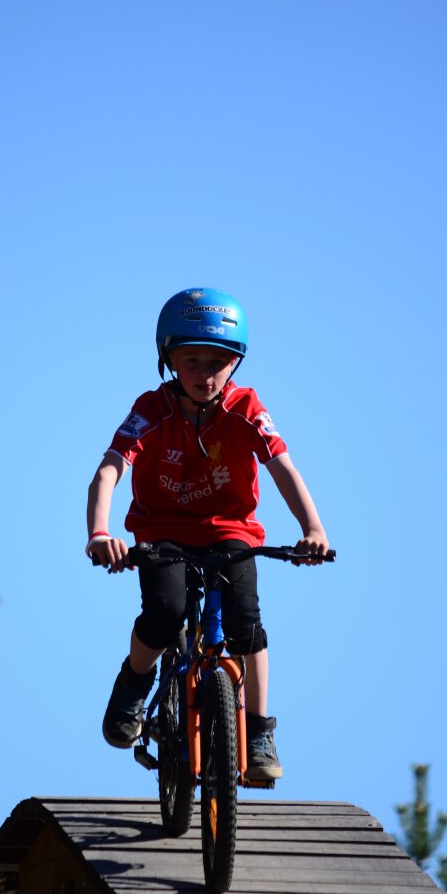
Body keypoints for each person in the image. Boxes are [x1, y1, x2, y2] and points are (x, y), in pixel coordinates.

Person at [86, 287, 329, 781]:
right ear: (169, 360)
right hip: (163, 532)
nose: (204, 373)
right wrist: (100, 531)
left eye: (218, 361)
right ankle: (134, 684)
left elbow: (282, 467)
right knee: (165, 611)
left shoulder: (246, 407)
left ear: (235, 363)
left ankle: (259, 730)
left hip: (230, 531)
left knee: (246, 623)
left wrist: (313, 529)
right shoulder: (152, 409)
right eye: (191, 361)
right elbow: (110, 468)